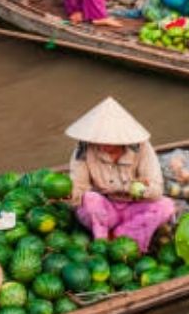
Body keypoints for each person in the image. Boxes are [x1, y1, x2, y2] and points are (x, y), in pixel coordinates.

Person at [67, 97, 176, 251]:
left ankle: (121, 236)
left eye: (108, 140)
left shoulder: (142, 147)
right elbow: (79, 187)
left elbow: (157, 189)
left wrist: (143, 189)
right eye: (99, 138)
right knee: (90, 199)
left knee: (166, 207)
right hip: (104, 209)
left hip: (134, 206)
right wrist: (69, 195)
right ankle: (102, 243)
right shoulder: (83, 149)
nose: (102, 144)